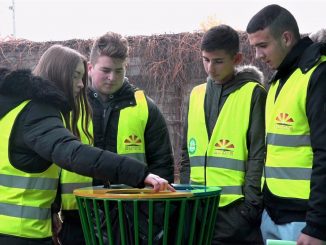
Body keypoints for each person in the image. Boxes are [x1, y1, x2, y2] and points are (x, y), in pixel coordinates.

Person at [0, 44, 174, 245]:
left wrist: (51, 210)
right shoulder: (37, 112)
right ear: (59, 74)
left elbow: (31, 169)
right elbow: (72, 154)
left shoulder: (15, 109)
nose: (82, 84)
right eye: (75, 76)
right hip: (21, 235)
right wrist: (140, 174)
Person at [246, 4, 326, 245]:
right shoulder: (280, 80)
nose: (258, 55)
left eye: (262, 45)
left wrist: (318, 226)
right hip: (273, 215)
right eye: (254, 47)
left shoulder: (318, 75)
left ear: (287, 38)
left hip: (304, 222)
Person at [180, 25, 266, 244]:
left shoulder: (253, 93)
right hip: (197, 209)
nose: (210, 68)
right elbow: (185, 153)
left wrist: (249, 209)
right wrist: (186, 198)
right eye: (205, 60)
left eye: (218, 61)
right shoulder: (196, 95)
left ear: (236, 59)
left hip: (235, 212)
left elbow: (259, 155)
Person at [87, 32, 174, 183]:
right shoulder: (73, 105)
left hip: (132, 206)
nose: (112, 77)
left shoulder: (145, 107)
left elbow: (162, 164)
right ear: (90, 68)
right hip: (80, 205)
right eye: (106, 70)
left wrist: (155, 205)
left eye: (119, 71)